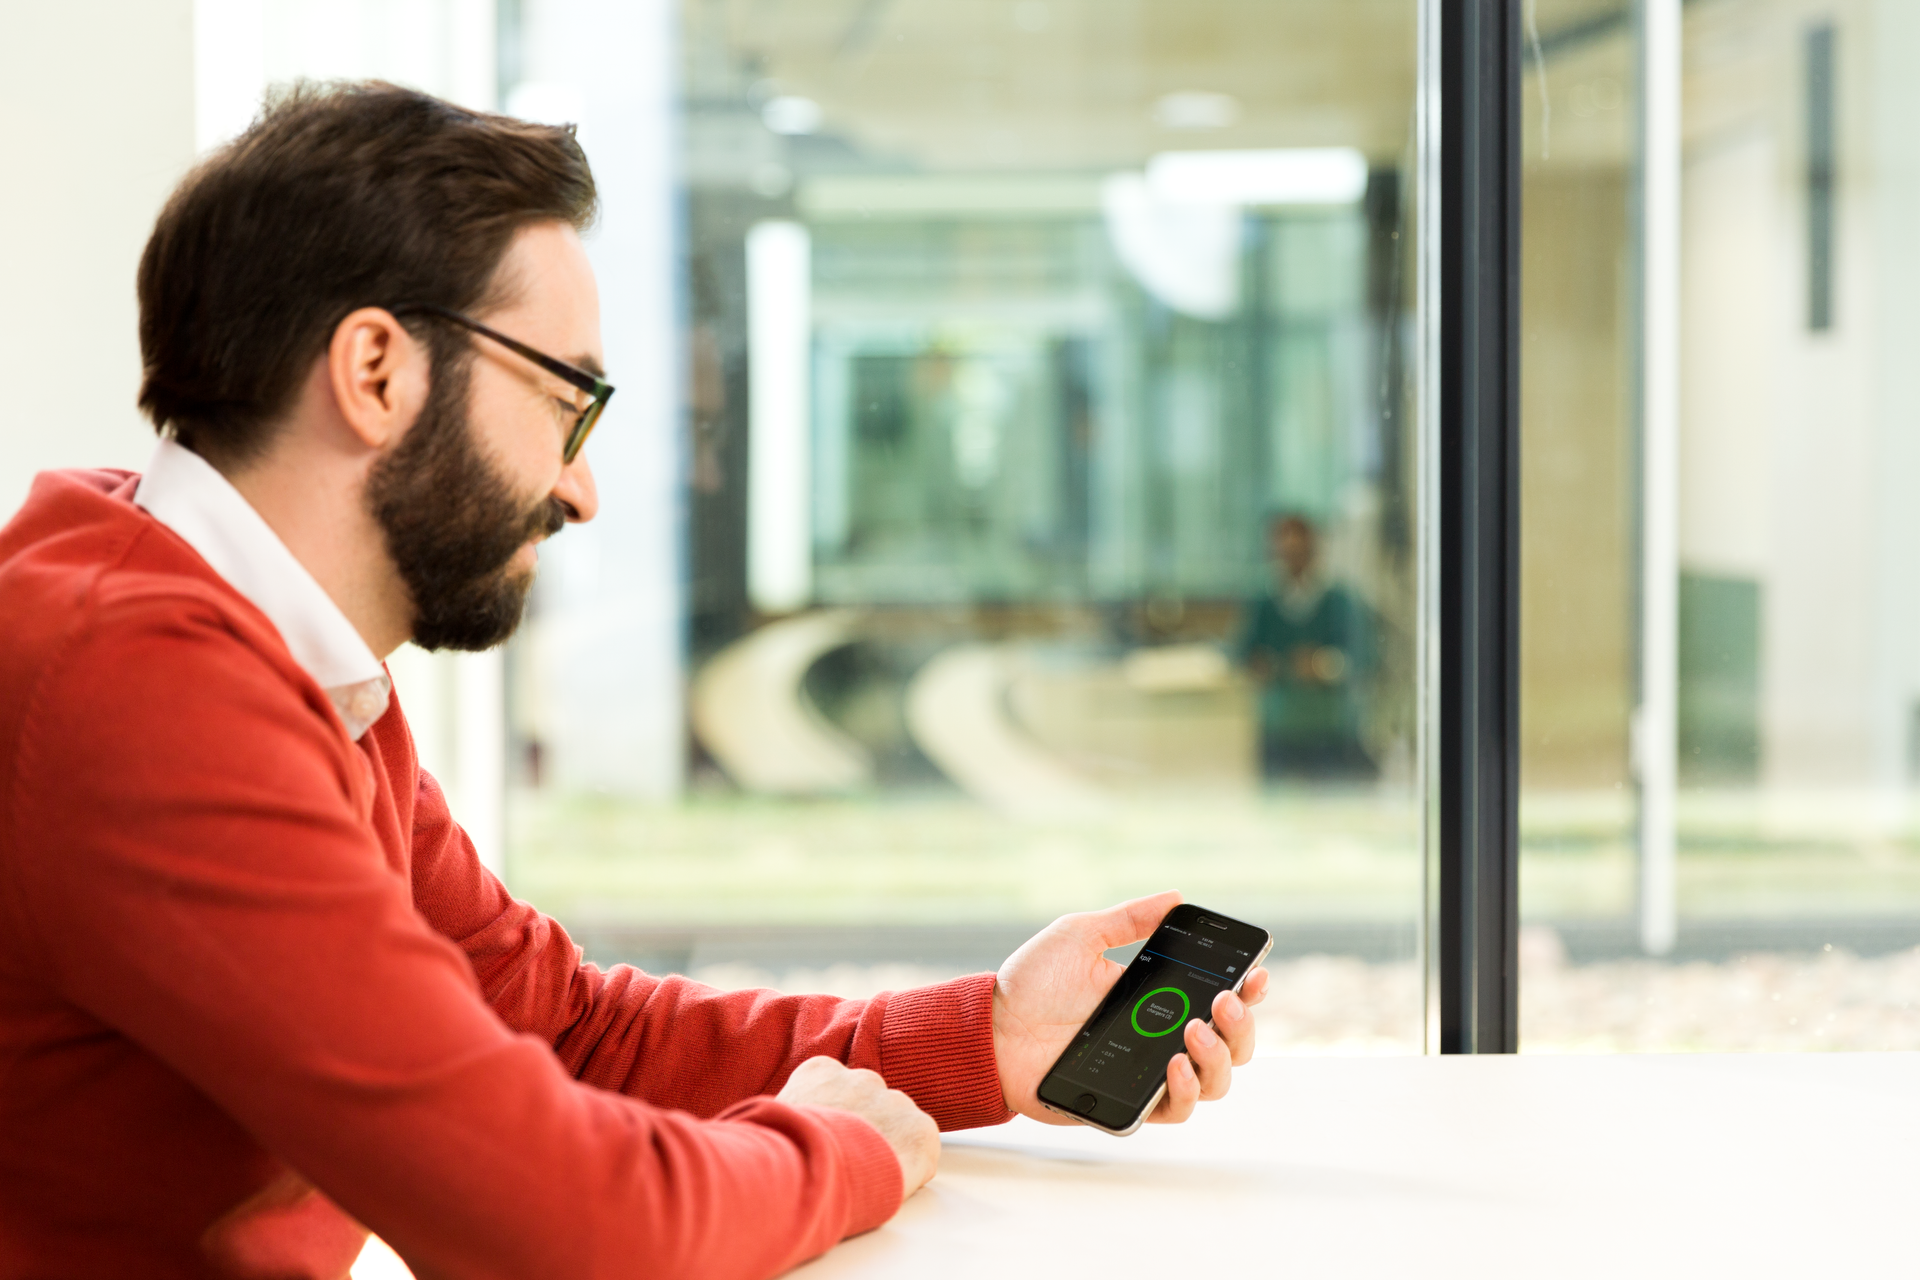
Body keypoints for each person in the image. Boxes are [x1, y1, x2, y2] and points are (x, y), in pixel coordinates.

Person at [0, 84, 1268, 1278]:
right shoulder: (140, 686)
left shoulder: (268, 649)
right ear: (376, 370)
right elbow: (558, 1223)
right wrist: (840, 1148)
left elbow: (556, 1032)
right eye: (567, 400)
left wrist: (985, 1036)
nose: (580, 487)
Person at [1235, 513, 1377, 780]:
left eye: (1299, 552)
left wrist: (1323, 665)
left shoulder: (1338, 602)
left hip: (1330, 731)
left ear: (1314, 552)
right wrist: (1261, 666)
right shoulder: (1263, 605)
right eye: (1285, 553)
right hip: (1278, 730)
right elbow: (1242, 655)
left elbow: (1364, 657)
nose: (1292, 560)